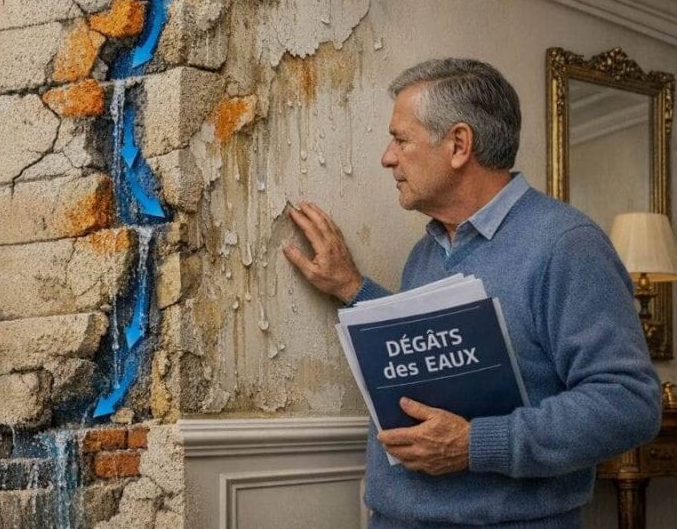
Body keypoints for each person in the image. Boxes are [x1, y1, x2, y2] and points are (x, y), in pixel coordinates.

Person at [283, 58, 660, 528]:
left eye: (401, 139)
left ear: (459, 144)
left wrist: (474, 445)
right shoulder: (427, 250)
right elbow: (433, 353)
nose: (388, 157)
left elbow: (628, 403)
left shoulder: (566, 244)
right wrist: (352, 288)